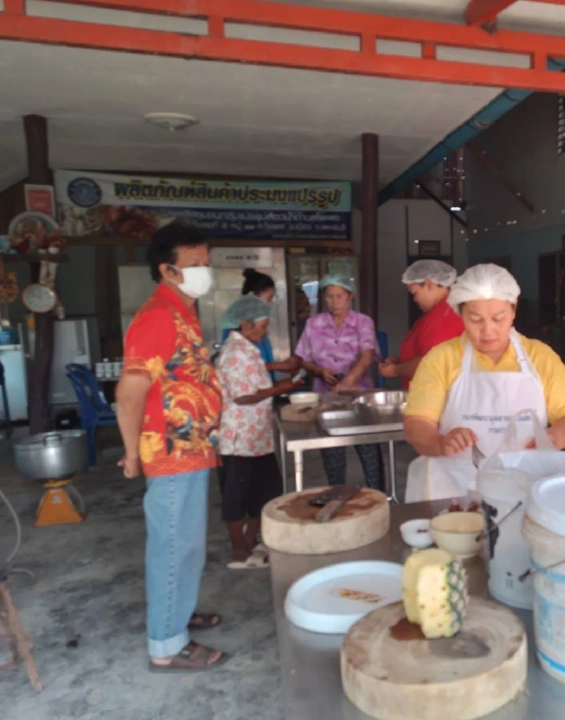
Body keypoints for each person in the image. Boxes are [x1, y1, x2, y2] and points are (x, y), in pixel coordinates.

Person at [116, 222, 227, 673]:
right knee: (175, 545)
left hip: (191, 448)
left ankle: (177, 616)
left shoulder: (184, 312)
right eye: (195, 264)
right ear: (168, 270)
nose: (205, 271)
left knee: (188, 544)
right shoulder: (159, 316)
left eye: (206, 262)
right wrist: (130, 453)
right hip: (169, 452)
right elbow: (129, 391)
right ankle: (166, 642)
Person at [403, 263, 565, 502]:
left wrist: (551, 440)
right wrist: (439, 442)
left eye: (499, 318)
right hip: (454, 488)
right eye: (475, 319)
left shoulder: (541, 357)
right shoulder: (441, 358)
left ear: (514, 309)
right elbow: (417, 423)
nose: (488, 331)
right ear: (460, 314)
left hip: (523, 486)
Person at [217, 295, 304, 569]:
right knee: (237, 496)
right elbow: (243, 396)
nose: (265, 331)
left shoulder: (247, 348)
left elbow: (255, 376)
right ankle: (238, 549)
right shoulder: (233, 353)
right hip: (238, 439)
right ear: (245, 323)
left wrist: (279, 379)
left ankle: (253, 538)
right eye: (262, 326)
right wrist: (281, 388)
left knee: (265, 490)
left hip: (257, 435)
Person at [293, 274, 383, 490]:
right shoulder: (314, 324)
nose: (335, 301)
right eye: (330, 296)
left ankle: (380, 497)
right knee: (333, 455)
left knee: (369, 453)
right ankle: (337, 497)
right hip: (326, 398)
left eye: (340, 296)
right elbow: (304, 360)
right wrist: (320, 371)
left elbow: (367, 355)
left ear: (350, 296)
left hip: (359, 397)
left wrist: (349, 381)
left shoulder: (362, 322)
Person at [379, 260, 463, 389]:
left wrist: (395, 370)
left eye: (415, 293)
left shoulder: (444, 317)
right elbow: (423, 350)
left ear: (428, 284)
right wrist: (401, 359)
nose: (415, 299)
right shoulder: (436, 312)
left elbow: (430, 364)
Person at [218, 268, 300, 381]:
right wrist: (279, 366)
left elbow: (258, 361)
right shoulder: (237, 336)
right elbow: (244, 366)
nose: (270, 303)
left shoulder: (255, 328)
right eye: (269, 298)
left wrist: (281, 366)